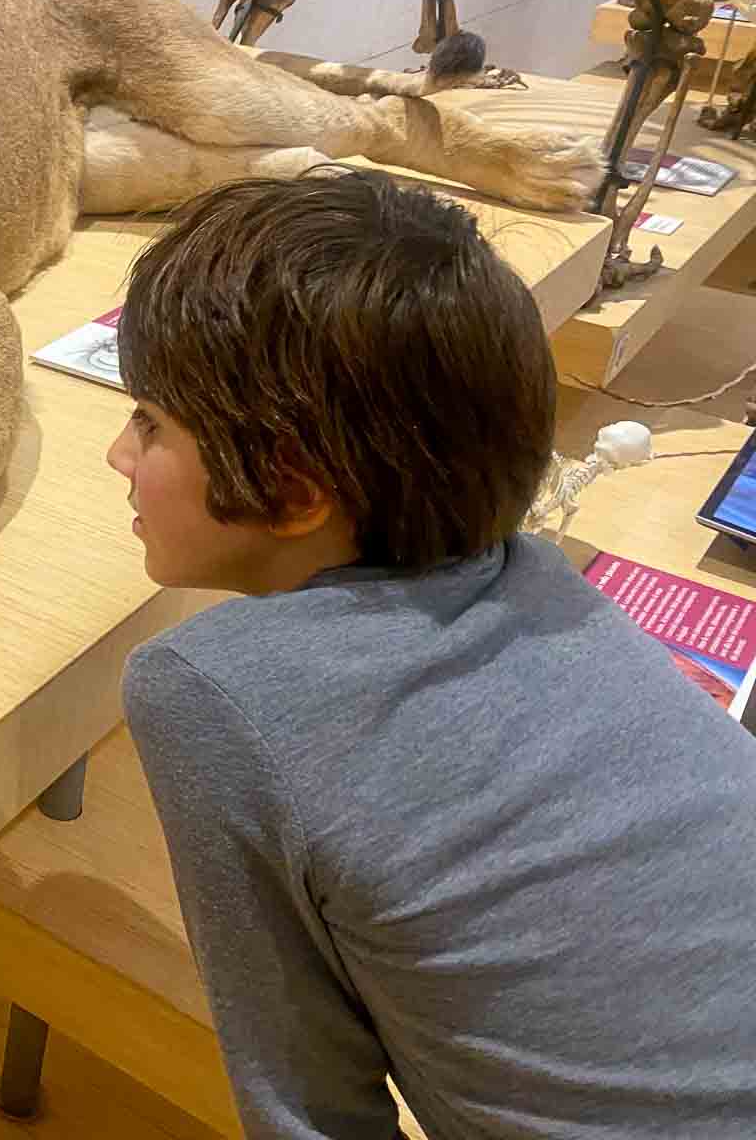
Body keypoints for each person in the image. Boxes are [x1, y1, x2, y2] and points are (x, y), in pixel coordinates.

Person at [107, 167, 756, 1139]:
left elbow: (308, 1106)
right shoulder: (545, 578)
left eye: (150, 422)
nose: (120, 454)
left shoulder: (202, 689)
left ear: (295, 490)